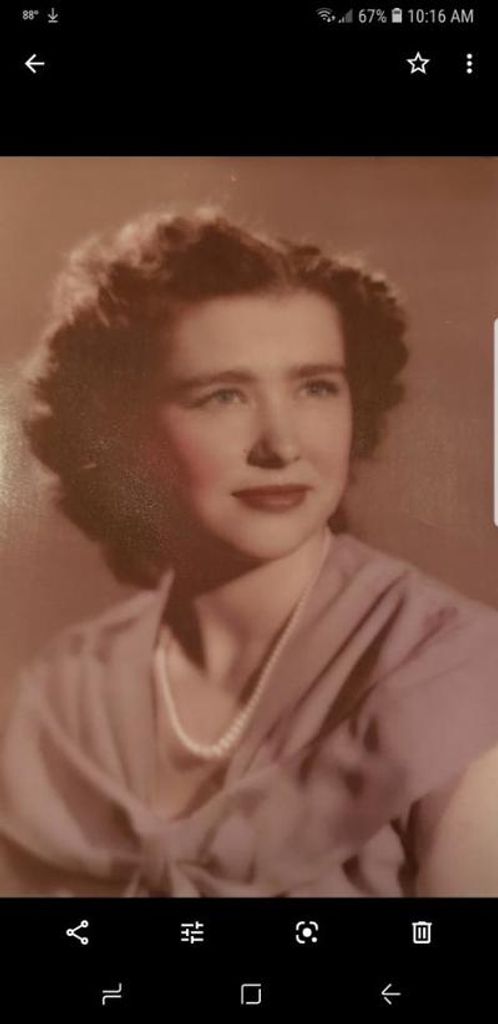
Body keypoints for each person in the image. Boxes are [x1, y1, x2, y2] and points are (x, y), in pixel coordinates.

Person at [1, 207, 498, 897]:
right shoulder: (66, 692)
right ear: (122, 432)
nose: (282, 445)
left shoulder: (457, 674)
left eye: (316, 387)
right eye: (223, 396)